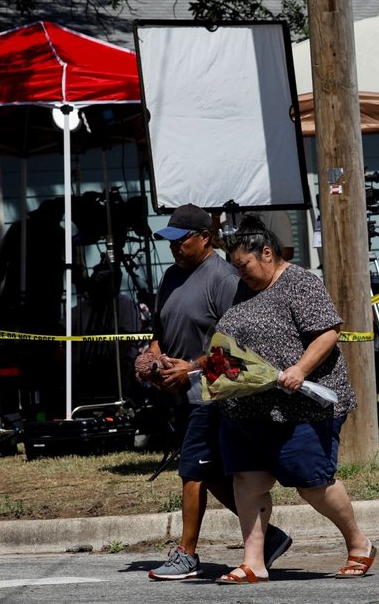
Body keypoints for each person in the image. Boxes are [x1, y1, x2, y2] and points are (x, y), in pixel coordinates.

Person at [213, 216, 375, 584]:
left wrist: (299, 368)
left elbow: (329, 331)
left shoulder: (299, 282)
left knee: (312, 482)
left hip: (302, 407)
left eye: (245, 265)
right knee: (248, 479)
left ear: (266, 253)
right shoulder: (246, 289)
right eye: (237, 268)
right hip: (250, 408)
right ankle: (253, 561)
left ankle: (359, 543)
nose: (242, 274)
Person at [142, 204, 290, 580]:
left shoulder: (224, 278)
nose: (174, 249)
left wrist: (189, 369)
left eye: (182, 241)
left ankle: (186, 554)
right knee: (211, 474)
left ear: (205, 237)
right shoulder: (172, 276)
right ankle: (268, 538)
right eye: (170, 242)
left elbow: (239, 345)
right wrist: (153, 360)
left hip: (212, 394)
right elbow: (159, 332)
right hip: (179, 395)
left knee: (191, 471)